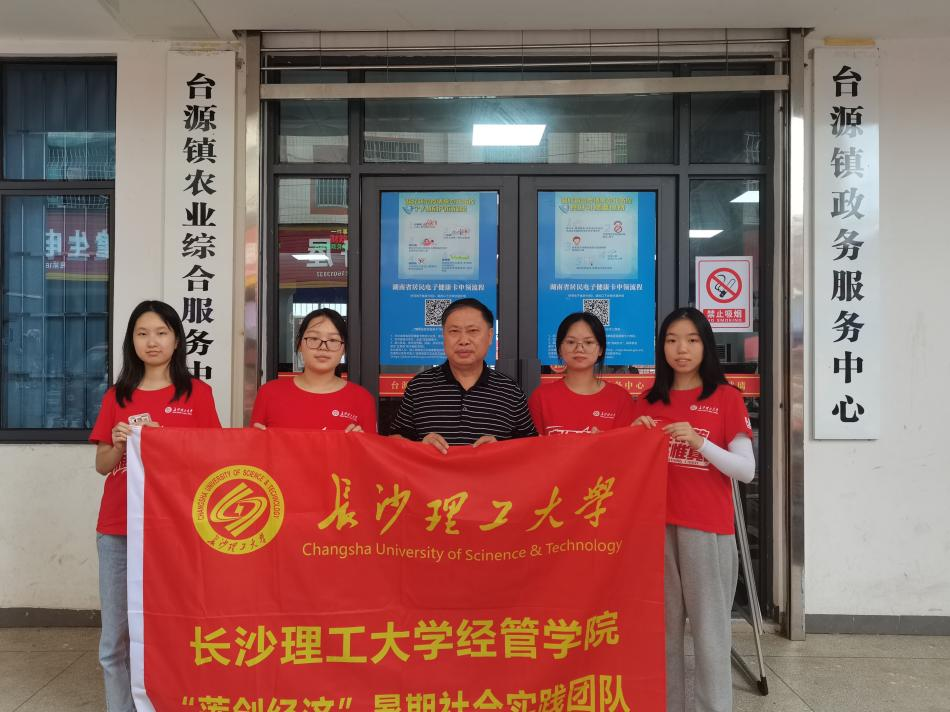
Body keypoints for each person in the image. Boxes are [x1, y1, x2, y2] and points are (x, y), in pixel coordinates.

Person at [90, 300, 221, 712]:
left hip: (176, 529)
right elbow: (102, 465)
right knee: (115, 639)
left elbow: (214, 460)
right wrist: (117, 442)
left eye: (161, 333)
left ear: (177, 340)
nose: (152, 341)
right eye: (143, 333)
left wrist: (170, 443)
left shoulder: (197, 394)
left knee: (175, 630)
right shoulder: (117, 396)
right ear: (131, 341)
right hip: (119, 529)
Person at [632, 307, 755, 712]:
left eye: (691, 340)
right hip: (654, 532)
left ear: (706, 346)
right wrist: (631, 436)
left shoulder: (725, 398)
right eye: (671, 340)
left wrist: (700, 443)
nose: (681, 349)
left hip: (707, 530)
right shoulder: (647, 401)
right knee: (660, 633)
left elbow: (746, 470)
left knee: (710, 633)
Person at [391, 298, 536, 452]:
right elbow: (394, 440)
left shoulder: (510, 391)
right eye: (454, 331)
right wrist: (419, 446)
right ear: (443, 336)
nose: (463, 341)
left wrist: (501, 449)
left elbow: (531, 448)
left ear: (489, 336)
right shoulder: (419, 387)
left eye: (473, 331)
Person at [251, 308, 376, 432]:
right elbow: (253, 443)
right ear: (299, 344)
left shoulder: (362, 399)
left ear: (344, 349)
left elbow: (370, 445)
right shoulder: (269, 393)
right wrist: (258, 439)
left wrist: (360, 441)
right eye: (314, 338)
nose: (323, 347)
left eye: (333, 340)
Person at [528, 312, 634, 435]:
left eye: (588, 342)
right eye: (571, 342)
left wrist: (605, 442)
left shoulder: (620, 399)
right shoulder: (541, 398)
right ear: (560, 349)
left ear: (600, 349)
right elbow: (532, 445)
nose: (579, 349)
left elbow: (628, 445)